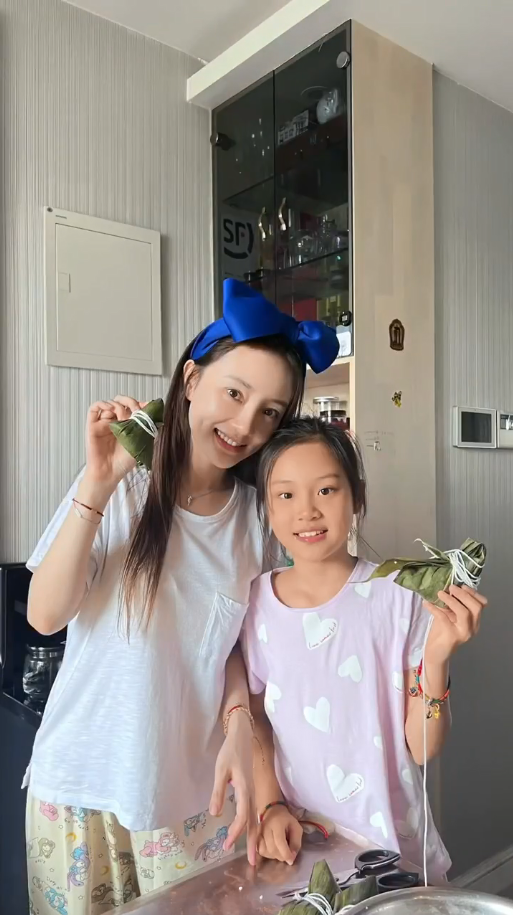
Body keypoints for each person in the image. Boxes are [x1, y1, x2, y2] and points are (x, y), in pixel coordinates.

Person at [24, 281, 339, 915]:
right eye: (234, 394)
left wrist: (239, 723)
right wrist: (98, 483)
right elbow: (45, 615)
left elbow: (235, 648)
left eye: (270, 412)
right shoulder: (123, 487)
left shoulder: (257, 520)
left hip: (195, 798)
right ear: (191, 381)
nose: (245, 426)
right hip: (80, 789)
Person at [241, 418, 487, 883]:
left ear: (357, 497)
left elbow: (423, 748)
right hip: (301, 847)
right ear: (267, 508)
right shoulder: (255, 604)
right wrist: (269, 804)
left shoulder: (400, 597)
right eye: (285, 495)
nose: (306, 511)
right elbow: (255, 714)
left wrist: (437, 658)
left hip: (395, 854)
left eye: (326, 490)